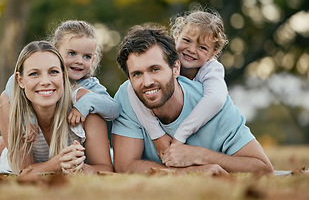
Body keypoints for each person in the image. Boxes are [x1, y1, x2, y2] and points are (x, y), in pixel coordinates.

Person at [112, 24, 274, 175]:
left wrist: (200, 156)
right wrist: (188, 172)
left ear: (175, 68)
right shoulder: (127, 97)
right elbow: (124, 166)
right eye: (137, 74)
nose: (147, 82)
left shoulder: (214, 104)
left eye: (155, 69)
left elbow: (263, 168)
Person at [0, 20, 119, 173]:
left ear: (93, 59)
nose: (79, 61)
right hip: (36, 149)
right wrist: (28, 120)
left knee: (2, 146)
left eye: (87, 57)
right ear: (55, 51)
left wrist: (86, 103)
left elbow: (113, 108)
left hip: (67, 147)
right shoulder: (27, 82)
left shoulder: (89, 87)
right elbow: (12, 86)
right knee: (1, 148)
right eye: (72, 53)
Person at [127, 8, 229, 158]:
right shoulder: (164, 58)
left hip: (197, 134)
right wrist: (157, 135)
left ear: (213, 54)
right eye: (187, 40)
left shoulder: (212, 69)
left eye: (202, 47)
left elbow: (216, 99)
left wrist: (180, 136)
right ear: (176, 36)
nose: (191, 50)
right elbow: (131, 88)